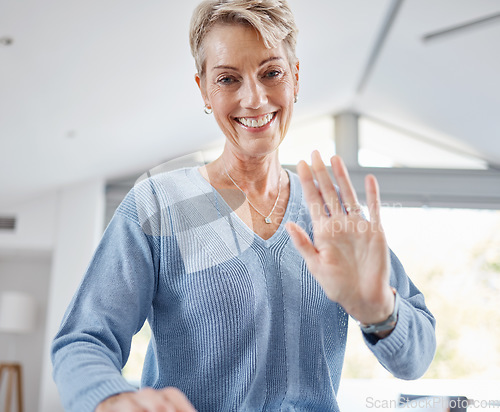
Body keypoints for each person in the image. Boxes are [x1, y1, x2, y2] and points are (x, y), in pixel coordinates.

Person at [51, 1, 436, 411]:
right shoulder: (158, 204)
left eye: (271, 73)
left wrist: (379, 311)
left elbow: (416, 356)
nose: (254, 99)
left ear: (296, 79)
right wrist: (112, 399)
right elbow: (84, 339)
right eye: (228, 79)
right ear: (203, 89)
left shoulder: (334, 212)